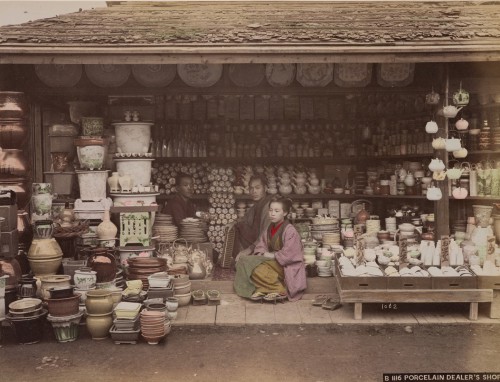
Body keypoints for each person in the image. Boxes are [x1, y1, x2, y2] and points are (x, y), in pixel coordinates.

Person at [233, 195, 307, 302]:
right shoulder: (269, 228)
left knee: (251, 264)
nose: (272, 214)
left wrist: (272, 255)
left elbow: (290, 255)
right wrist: (263, 254)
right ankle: (268, 288)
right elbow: (260, 247)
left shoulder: (290, 230)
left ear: (285, 213)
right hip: (273, 263)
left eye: (277, 211)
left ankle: (278, 289)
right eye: (270, 210)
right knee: (244, 262)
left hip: (287, 266)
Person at [232, 174, 273, 260]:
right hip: (258, 245)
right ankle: (239, 260)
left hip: (269, 249)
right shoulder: (255, 207)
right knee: (238, 227)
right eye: (251, 188)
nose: (254, 191)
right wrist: (233, 223)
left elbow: (266, 235)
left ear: (265, 188)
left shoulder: (269, 207)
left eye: (258, 188)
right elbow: (243, 221)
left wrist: (248, 250)